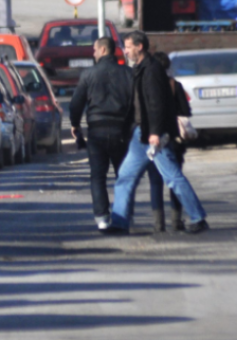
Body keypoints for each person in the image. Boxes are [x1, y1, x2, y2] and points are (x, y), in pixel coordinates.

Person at [107, 31, 209, 234]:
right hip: (140, 135)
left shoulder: (152, 70)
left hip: (152, 135)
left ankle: (198, 218)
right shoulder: (140, 69)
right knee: (125, 177)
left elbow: (156, 104)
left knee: (172, 177)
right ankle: (119, 222)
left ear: (140, 47)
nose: (125, 51)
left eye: (128, 47)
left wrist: (155, 132)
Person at [69, 37, 133, 230]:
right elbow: (135, 102)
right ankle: (124, 216)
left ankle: (102, 219)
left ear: (103, 50)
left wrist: (75, 125)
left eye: (95, 50)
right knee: (123, 176)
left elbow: (76, 103)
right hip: (121, 130)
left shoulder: (88, 74)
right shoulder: (128, 73)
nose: (93, 53)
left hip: (96, 131)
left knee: (98, 176)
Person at [148, 51, 190, 231]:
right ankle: (176, 221)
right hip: (173, 139)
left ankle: (158, 223)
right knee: (175, 180)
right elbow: (185, 112)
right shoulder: (175, 85)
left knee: (155, 182)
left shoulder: (147, 85)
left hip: (153, 138)